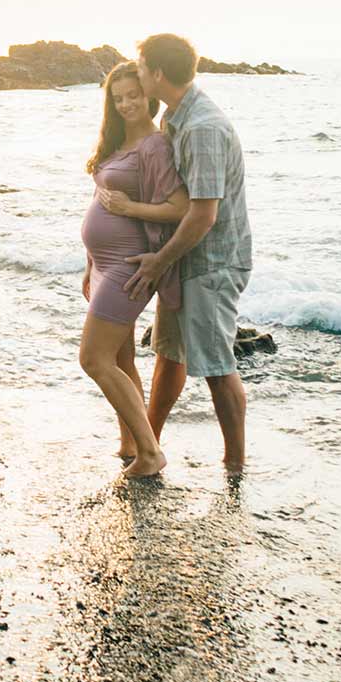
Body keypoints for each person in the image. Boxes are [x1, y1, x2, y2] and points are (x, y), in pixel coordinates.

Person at [124, 33, 254, 471]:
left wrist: (159, 261)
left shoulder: (202, 129)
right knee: (169, 352)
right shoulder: (176, 117)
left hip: (212, 261)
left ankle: (235, 466)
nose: (138, 73)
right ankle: (149, 445)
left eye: (140, 66)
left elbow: (203, 215)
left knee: (216, 365)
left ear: (158, 73)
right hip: (185, 258)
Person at [77, 62, 190, 478]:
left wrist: (129, 208)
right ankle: (130, 443)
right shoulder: (116, 141)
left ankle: (150, 452)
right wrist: (89, 265)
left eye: (133, 95)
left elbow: (179, 207)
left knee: (93, 359)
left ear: (149, 96)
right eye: (118, 97)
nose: (126, 103)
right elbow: (100, 201)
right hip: (104, 266)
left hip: (130, 267)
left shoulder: (155, 146)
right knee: (121, 360)